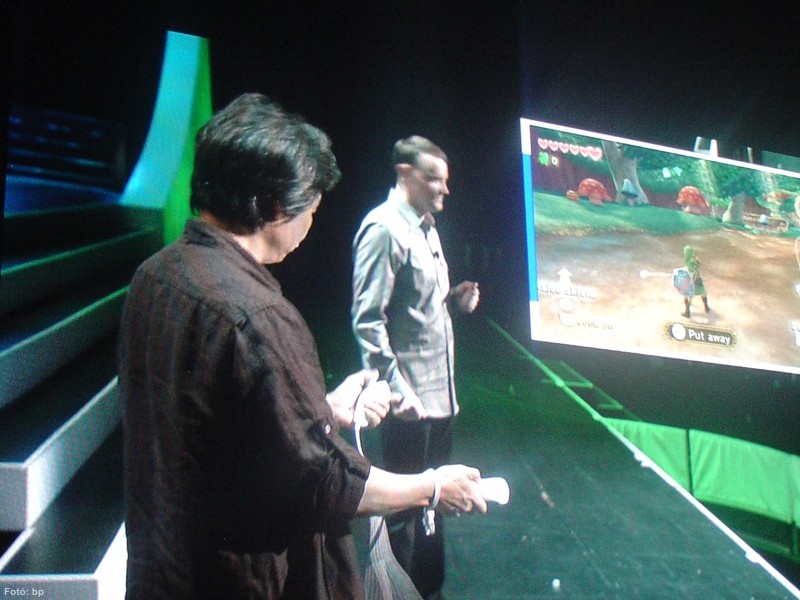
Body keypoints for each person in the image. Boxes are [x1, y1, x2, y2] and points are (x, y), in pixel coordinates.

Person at [118, 94, 487, 600]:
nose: (311, 224)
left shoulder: (154, 277)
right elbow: (324, 482)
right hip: (238, 580)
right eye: (311, 209)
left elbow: (216, 425)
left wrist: (320, 410)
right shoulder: (257, 316)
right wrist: (433, 488)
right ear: (276, 206)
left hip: (164, 570)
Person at [351, 135, 480, 599]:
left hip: (440, 397)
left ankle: (427, 589)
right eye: (434, 179)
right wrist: (396, 391)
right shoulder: (384, 229)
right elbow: (368, 320)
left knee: (435, 501)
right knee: (405, 513)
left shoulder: (426, 228)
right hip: (411, 404)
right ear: (405, 174)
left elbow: (420, 305)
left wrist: (454, 301)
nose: (445, 189)